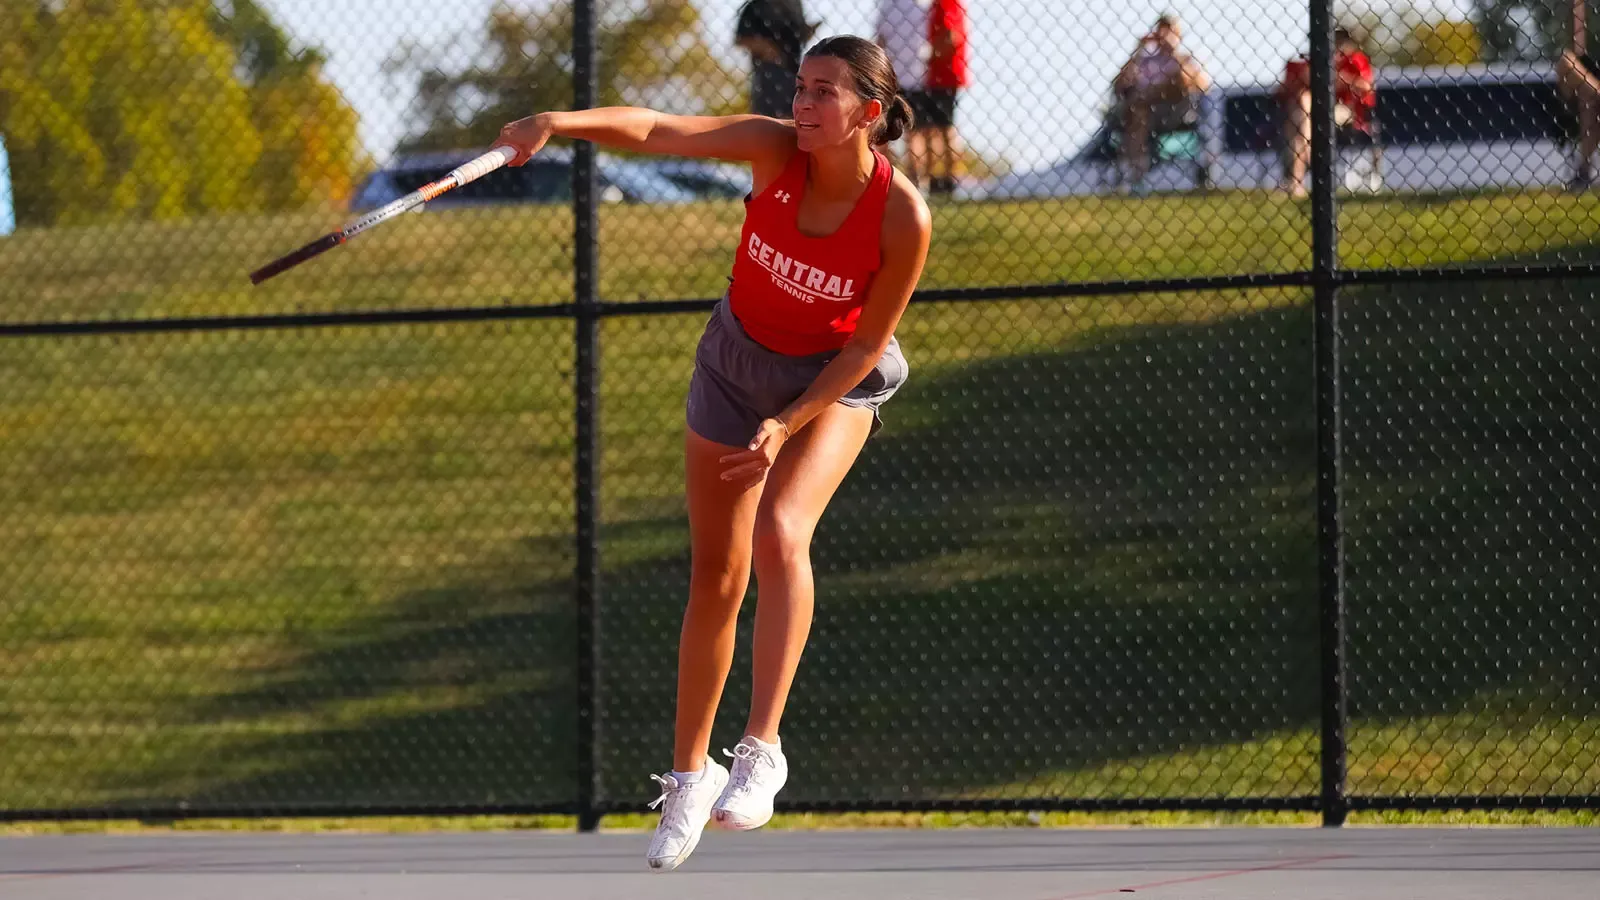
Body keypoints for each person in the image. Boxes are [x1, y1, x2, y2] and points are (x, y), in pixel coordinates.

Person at [494, 35, 930, 873]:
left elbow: (864, 346)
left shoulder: (902, 215)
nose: (803, 103)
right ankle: (690, 779)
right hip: (734, 367)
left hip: (833, 381)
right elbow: (656, 129)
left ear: (869, 112)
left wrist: (788, 423)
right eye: (800, 86)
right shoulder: (772, 149)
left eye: (826, 91)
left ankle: (761, 748)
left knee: (780, 534)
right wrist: (555, 121)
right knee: (717, 576)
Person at [1112, 14, 1210, 189]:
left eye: (1169, 32)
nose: (1164, 37)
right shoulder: (1146, 61)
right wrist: (1137, 52)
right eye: (1160, 32)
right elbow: (1119, 85)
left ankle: (1134, 174)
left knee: (1175, 79)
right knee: (1138, 113)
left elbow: (1203, 85)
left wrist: (1174, 55)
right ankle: (1136, 176)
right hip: (1145, 112)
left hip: (1176, 110)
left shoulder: (1185, 59)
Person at [1277, 27, 1376, 197]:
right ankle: (1304, 151)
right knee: (1301, 112)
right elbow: (1287, 90)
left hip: (1344, 110)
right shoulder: (1315, 61)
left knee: (1298, 129)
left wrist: (1342, 79)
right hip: (1312, 112)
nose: (1337, 43)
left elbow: (1367, 86)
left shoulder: (1355, 59)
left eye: (1340, 39)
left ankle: (1296, 179)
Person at [876, 0, 935, 190]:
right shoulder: (922, 5)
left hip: (902, 78)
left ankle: (890, 179)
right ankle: (912, 181)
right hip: (912, 77)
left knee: (890, 132)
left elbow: (880, 42)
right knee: (911, 132)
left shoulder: (890, 5)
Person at [735, 0, 817, 118]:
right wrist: (767, 48)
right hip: (770, 71)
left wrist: (806, 32)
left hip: (796, 70)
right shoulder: (758, 4)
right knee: (771, 121)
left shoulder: (795, 4)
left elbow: (796, 36)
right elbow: (741, 39)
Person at [921, 0, 969, 195]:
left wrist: (929, 54)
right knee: (934, 128)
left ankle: (950, 178)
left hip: (945, 75)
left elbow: (950, 37)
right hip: (937, 76)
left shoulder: (946, 3)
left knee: (944, 126)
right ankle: (938, 179)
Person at [1556, 48, 1600, 190]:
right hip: (1582, 97)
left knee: (1589, 106)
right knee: (1589, 103)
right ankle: (1584, 170)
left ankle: (1584, 171)